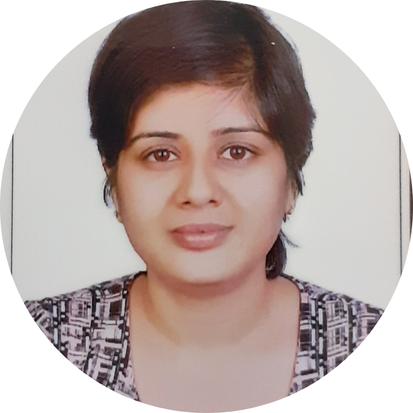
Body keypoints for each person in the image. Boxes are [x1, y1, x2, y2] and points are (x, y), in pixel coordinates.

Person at [25, 2, 383, 411]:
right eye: (160, 154)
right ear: (114, 177)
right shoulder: (40, 340)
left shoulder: (374, 345)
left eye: (236, 151)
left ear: (291, 178)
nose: (197, 191)